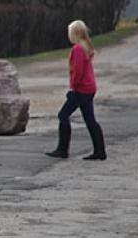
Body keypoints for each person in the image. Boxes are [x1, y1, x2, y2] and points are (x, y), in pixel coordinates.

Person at [45, 19, 106, 161]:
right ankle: (100, 150)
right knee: (90, 120)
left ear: (74, 33)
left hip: (81, 89)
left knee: (63, 115)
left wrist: (73, 88)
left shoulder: (78, 49)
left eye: (69, 32)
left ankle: (62, 149)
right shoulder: (86, 46)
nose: (68, 35)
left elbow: (77, 71)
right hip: (89, 88)